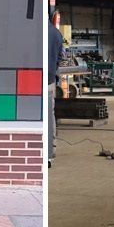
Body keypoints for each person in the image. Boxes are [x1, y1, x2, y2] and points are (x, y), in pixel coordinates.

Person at [48, 9, 64, 167]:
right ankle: (50, 151)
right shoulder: (57, 34)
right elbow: (60, 57)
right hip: (50, 79)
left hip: (34, 79)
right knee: (49, 114)